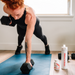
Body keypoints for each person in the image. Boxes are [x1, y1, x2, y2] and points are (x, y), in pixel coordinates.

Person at [1, 0, 50, 66]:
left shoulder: (30, 15)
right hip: (21, 25)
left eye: (18, 14)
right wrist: (9, 20)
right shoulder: (6, 8)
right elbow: (14, 19)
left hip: (33, 24)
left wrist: (28, 60)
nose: (15, 18)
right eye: (13, 15)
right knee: (20, 36)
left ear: (23, 7)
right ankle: (19, 46)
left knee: (40, 36)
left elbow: (28, 40)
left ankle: (46, 45)